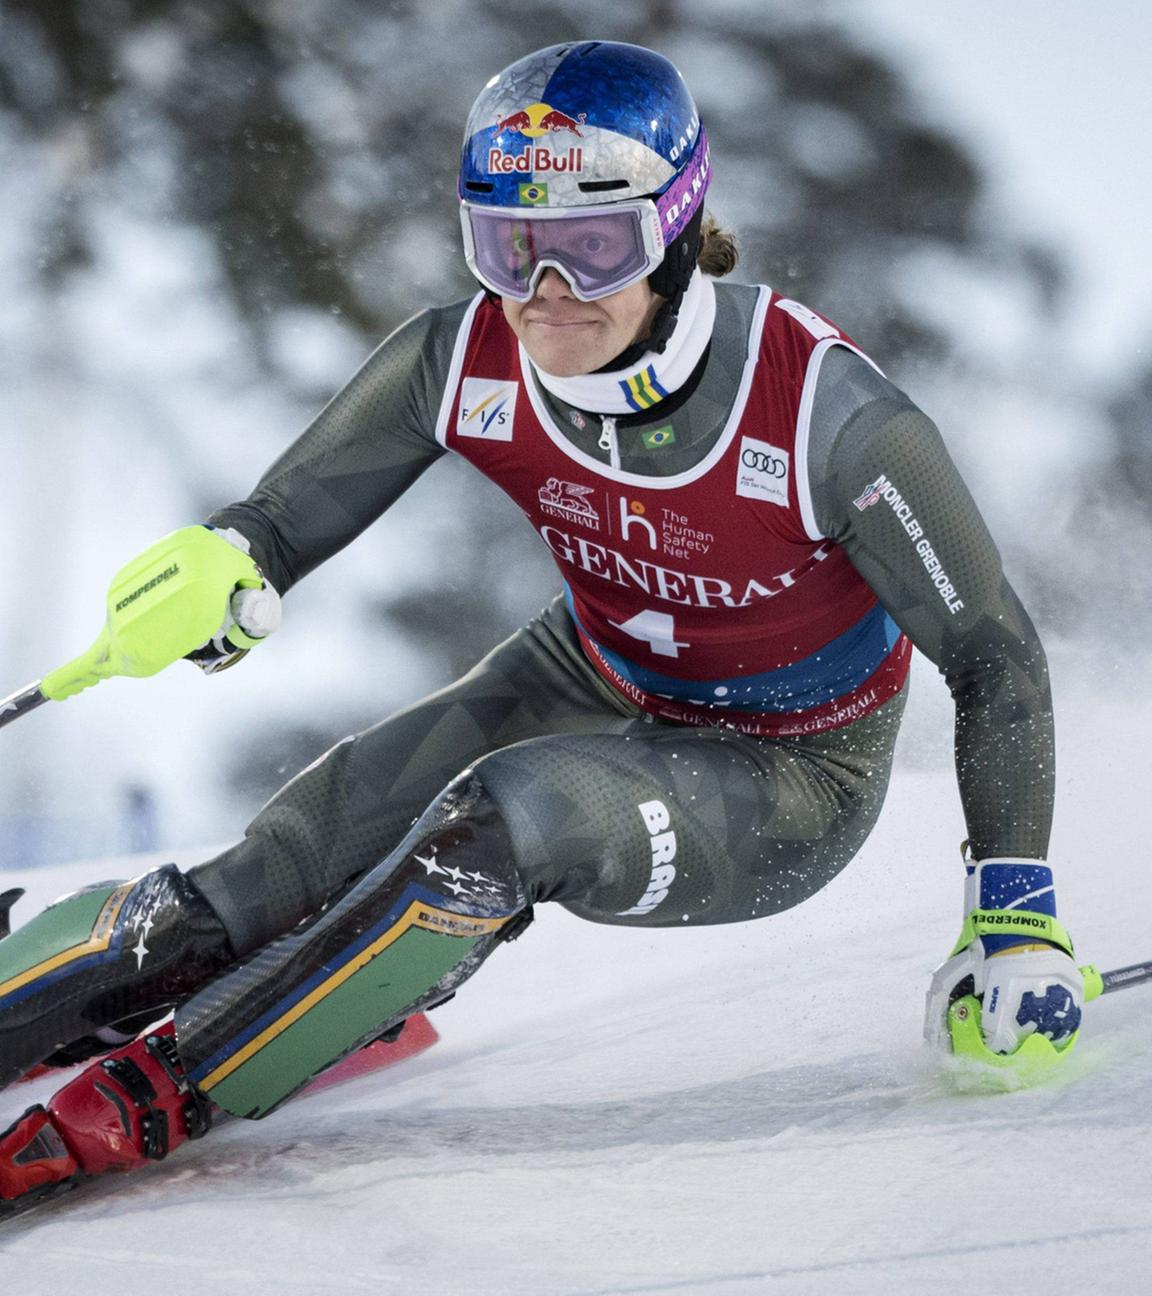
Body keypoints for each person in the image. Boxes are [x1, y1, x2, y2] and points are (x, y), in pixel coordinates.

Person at [0, 41, 1083, 1209]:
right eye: (507, 244)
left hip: (791, 766)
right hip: (592, 668)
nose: (544, 291)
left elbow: (996, 656)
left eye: (590, 246)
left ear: (672, 232)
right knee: (272, 871)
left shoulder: (828, 416)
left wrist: (1014, 919)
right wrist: (225, 566)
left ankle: (151, 1098)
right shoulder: (465, 355)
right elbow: (272, 526)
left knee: (497, 827)